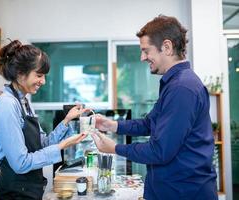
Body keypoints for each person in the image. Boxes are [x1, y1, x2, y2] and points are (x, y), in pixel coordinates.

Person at [91, 15, 218, 200]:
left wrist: (115, 148)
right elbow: (149, 123)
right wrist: (112, 126)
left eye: (146, 51)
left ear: (166, 47)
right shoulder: (174, 83)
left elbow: (160, 151)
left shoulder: (182, 88)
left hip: (184, 192)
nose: (143, 57)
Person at [0, 40, 87, 200]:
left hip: (28, 191)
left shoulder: (24, 102)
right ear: (20, 74)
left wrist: (67, 120)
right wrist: (62, 145)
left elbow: (42, 144)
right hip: (13, 194)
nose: (43, 81)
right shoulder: (6, 105)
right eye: (39, 75)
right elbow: (20, 163)